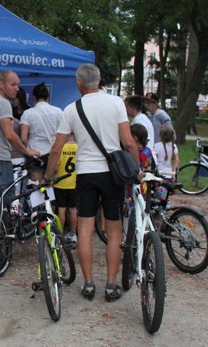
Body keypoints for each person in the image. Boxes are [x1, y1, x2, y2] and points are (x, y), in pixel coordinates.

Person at [45, 63, 140, 303]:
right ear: (98, 80)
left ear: (79, 83)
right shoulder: (116, 103)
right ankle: (111, 284)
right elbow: (129, 142)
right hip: (112, 175)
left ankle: (88, 283)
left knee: (84, 229)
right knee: (114, 230)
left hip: (86, 174)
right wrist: (136, 171)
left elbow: (57, 148)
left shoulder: (71, 109)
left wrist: (48, 176)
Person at [0, 71, 39, 237]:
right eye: (13, 84)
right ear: (1, 85)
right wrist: (27, 151)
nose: (17, 88)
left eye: (18, 84)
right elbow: (9, 134)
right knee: (2, 202)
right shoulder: (3, 104)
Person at [20, 82, 63, 159]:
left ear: (34, 97)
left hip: (35, 156)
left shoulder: (27, 113)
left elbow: (23, 139)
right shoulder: (58, 111)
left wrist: (27, 151)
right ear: (48, 97)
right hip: (53, 155)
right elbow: (64, 135)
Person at [53, 134, 78, 248]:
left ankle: (60, 234)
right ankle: (73, 233)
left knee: (61, 209)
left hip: (61, 182)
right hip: (74, 183)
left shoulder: (61, 148)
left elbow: (55, 167)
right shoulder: (78, 147)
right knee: (73, 209)